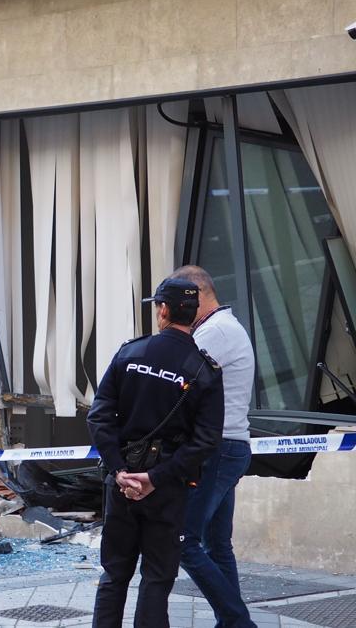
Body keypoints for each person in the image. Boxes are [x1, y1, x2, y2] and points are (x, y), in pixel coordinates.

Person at [86, 277, 224, 627]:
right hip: (168, 487)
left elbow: (99, 416)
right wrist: (154, 478)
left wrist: (120, 471)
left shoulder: (130, 353)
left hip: (121, 483)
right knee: (157, 579)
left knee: (114, 574)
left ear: (163, 310)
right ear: (194, 315)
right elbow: (206, 440)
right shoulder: (203, 370)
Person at [169, 266, 256, 627]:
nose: (172, 312)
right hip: (228, 447)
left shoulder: (216, 331)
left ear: (198, 296)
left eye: (178, 303)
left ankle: (237, 620)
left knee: (184, 540)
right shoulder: (222, 328)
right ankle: (231, 622)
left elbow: (178, 378)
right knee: (217, 544)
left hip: (218, 449)